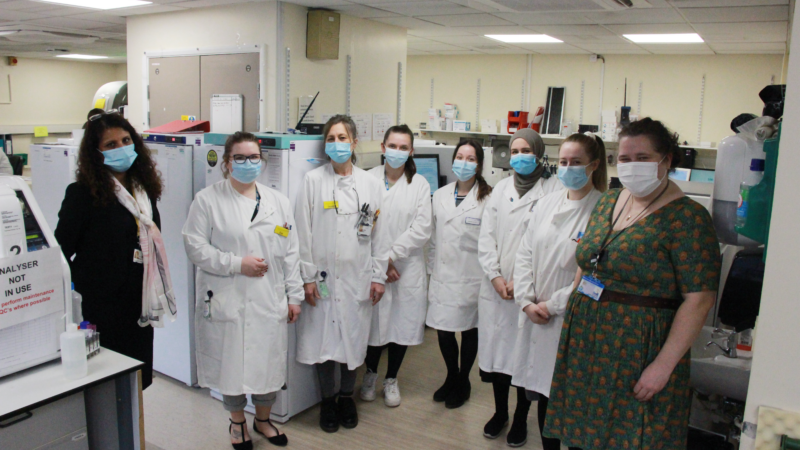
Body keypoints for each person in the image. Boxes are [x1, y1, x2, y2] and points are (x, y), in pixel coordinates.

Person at [544, 118, 721, 449]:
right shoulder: (610, 201)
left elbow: (699, 300)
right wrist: (572, 302)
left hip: (638, 347)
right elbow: (589, 257)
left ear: (666, 160)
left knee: (630, 435)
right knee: (583, 433)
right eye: (625, 158)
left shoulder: (689, 219)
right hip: (587, 340)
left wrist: (662, 366)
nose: (631, 166)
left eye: (643, 158)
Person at [183, 132, 303, 449]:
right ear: (226, 163)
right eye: (240, 158)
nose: (248, 163)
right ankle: (237, 424)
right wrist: (237, 264)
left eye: (254, 158)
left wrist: (295, 296)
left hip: (268, 298)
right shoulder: (207, 200)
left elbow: (291, 252)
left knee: (267, 364)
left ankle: (262, 420)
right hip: (228, 297)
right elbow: (194, 247)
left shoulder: (279, 202)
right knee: (230, 365)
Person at [55, 111, 173, 390]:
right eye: (111, 145)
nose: (121, 148)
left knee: (136, 378)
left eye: (126, 140)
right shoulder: (82, 194)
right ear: (96, 153)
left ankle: (134, 431)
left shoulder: (143, 190)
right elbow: (61, 252)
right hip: (101, 305)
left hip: (139, 299)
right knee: (108, 380)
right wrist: (79, 292)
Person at [510, 133, 607, 450]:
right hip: (534, 313)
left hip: (571, 319)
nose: (568, 168)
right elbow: (524, 253)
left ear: (593, 166)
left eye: (576, 162)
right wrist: (525, 300)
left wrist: (553, 305)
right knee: (543, 395)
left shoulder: (603, 211)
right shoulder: (546, 203)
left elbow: (594, 274)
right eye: (563, 162)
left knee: (570, 399)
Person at [294, 115, 389, 433]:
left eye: (342, 138)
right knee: (323, 343)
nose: (336, 144)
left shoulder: (372, 185)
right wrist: (307, 278)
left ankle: (347, 397)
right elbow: (301, 234)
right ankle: (328, 402)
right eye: (331, 139)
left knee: (352, 340)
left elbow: (380, 235)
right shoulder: (312, 181)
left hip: (356, 279)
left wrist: (378, 276)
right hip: (321, 279)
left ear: (354, 142)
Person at [477, 128, 562, 446]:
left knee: (522, 359)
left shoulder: (554, 190)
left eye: (527, 150)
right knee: (499, 358)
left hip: (530, 291)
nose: (519, 157)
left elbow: (548, 245)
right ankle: (500, 412)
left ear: (539, 153)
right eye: (514, 151)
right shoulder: (499, 189)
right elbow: (486, 237)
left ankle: (520, 418)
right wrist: (496, 277)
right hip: (497, 291)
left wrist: (521, 283)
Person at [361, 124, 432, 407]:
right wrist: (380, 262)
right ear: (383, 147)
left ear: (411, 151)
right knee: (373, 326)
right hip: (373, 262)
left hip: (404, 267)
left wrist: (389, 258)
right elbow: (363, 224)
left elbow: (421, 230)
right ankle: (369, 374)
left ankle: (391, 378)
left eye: (404, 147)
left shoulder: (420, 185)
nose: (397, 151)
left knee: (401, 325)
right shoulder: (367, 179)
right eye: (393, 145)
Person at [426, 138, 492, 409]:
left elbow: (491, 242)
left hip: (471, 278)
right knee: (443, 331)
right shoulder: (440, 195)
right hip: (442, 276)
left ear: (478, 165)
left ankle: (463, 380)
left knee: (469, 330)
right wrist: (431, 269)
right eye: (460, 157)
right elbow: (432, 237)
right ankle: (451, 375)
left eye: (470, 158)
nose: (463, 163)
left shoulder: (488, 197)